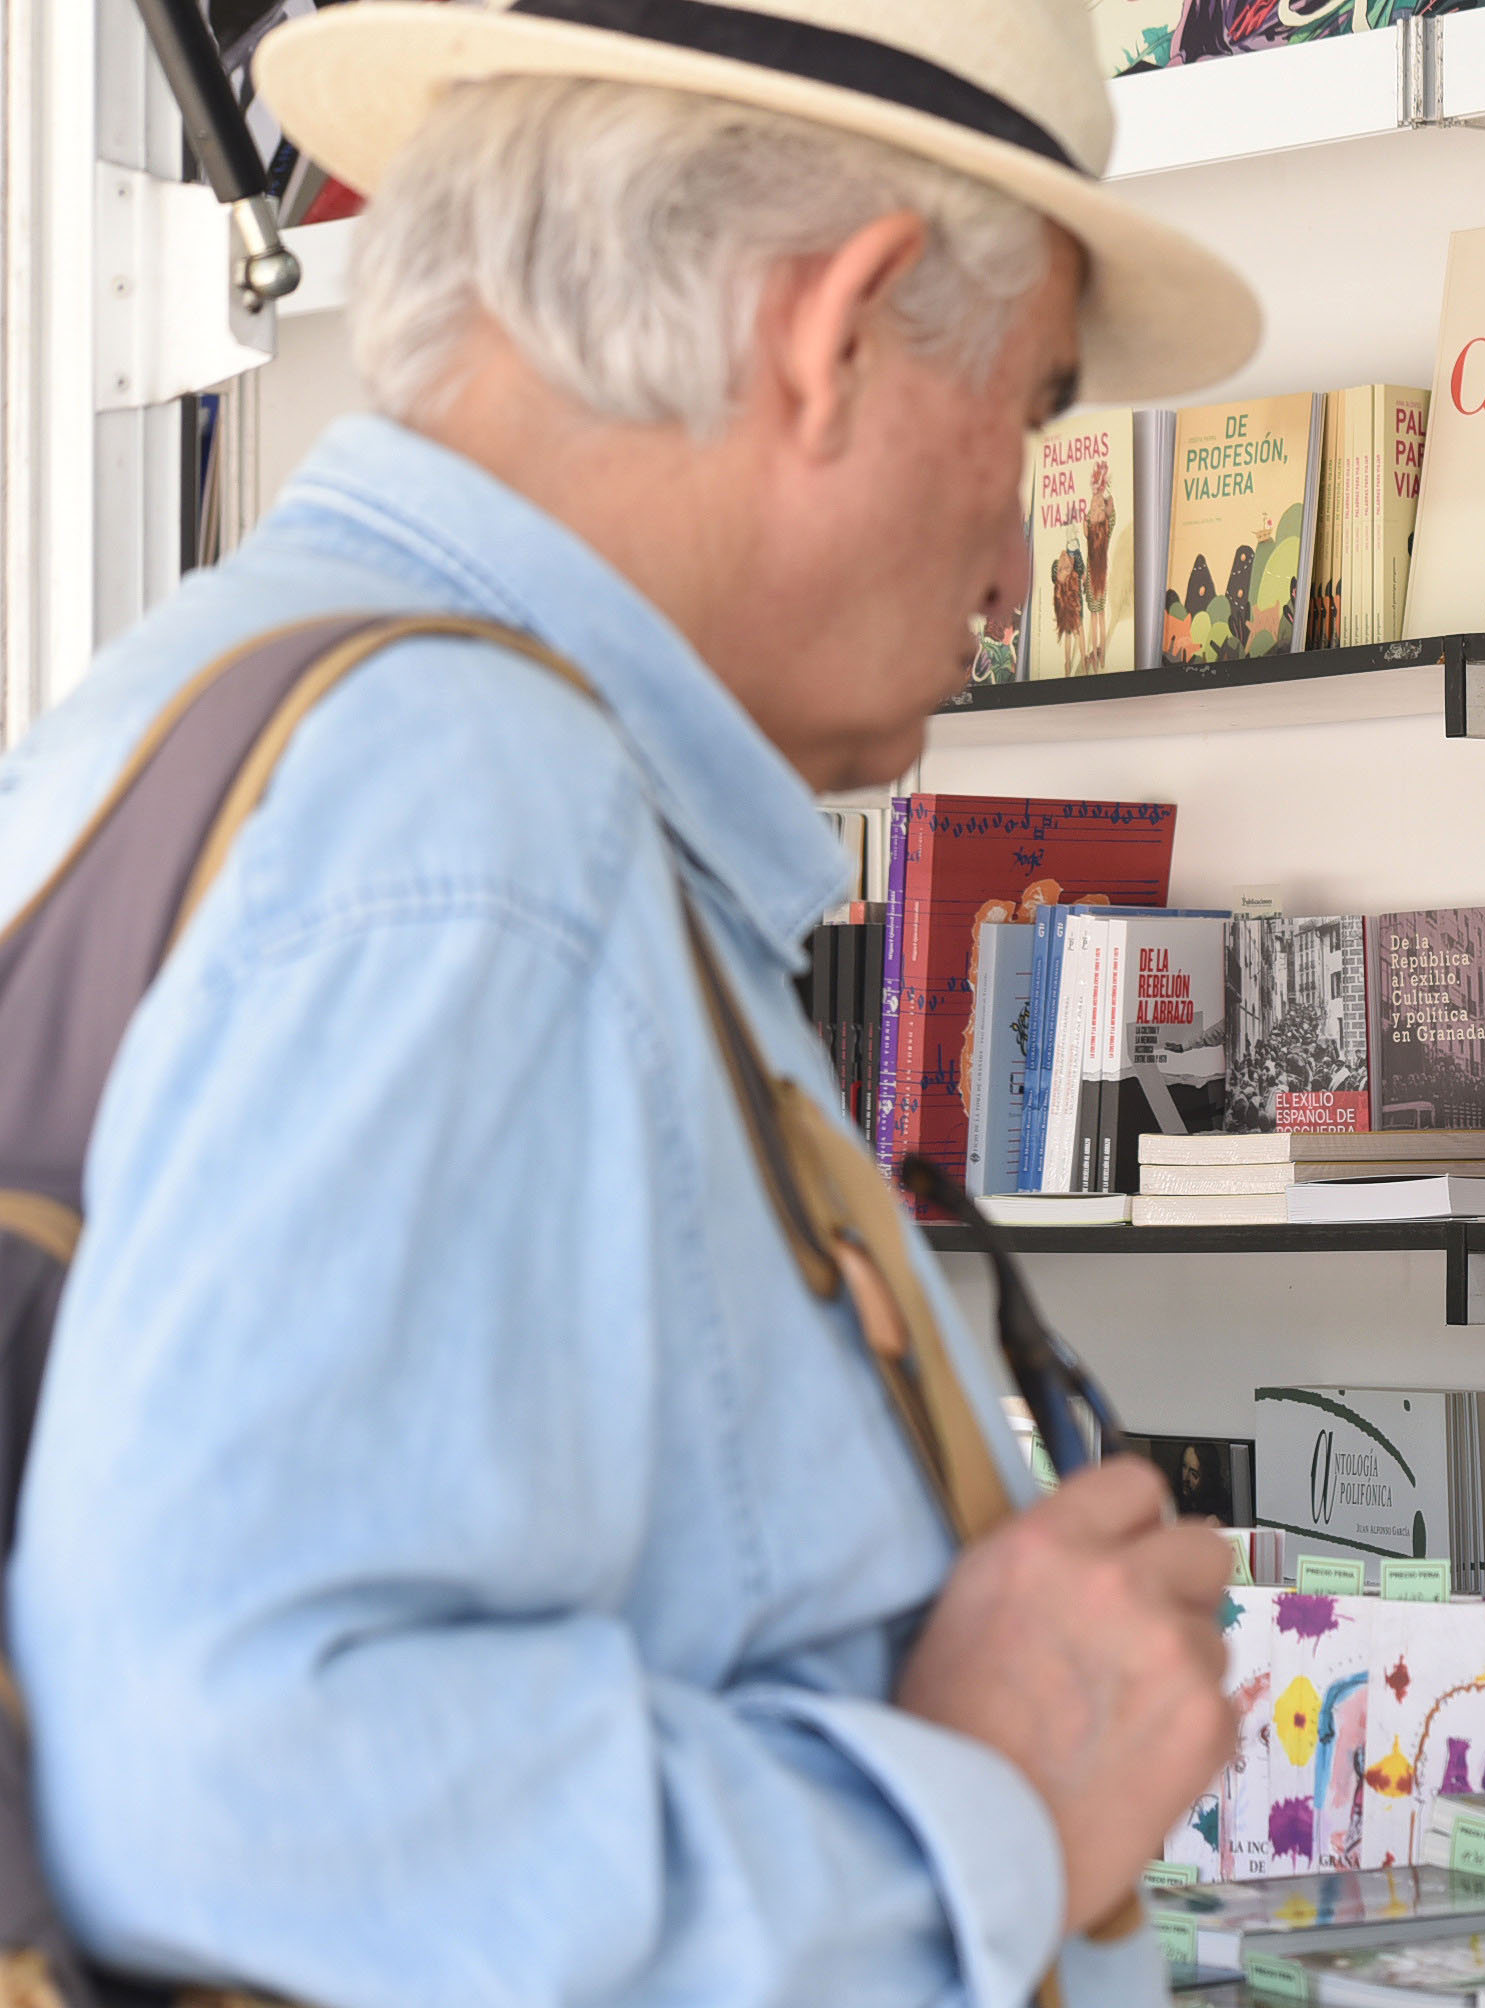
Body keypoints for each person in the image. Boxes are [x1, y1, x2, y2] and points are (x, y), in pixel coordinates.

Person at [0, 0, 1261, 1999]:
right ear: (834, 329)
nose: (1017, 556)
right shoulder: (474, 810)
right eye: (1028, 416)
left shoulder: (218, 713)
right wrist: (986, 1798)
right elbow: (244, 1788)